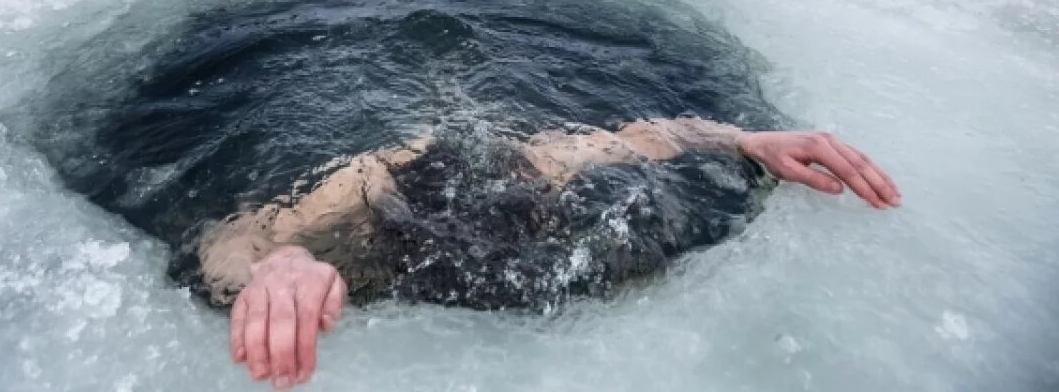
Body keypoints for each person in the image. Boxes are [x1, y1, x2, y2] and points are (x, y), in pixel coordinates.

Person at [197, 117, 900, 388]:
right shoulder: (362, 181)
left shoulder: (544, 160)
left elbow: (662, 134)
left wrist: (747, 140)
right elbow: (232, 235)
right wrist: (280, 263)